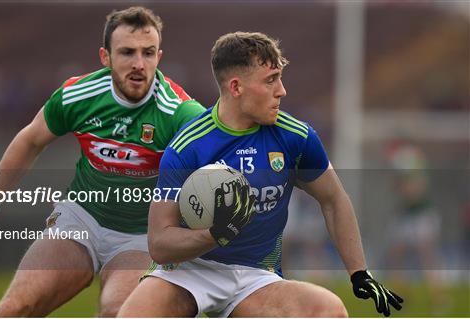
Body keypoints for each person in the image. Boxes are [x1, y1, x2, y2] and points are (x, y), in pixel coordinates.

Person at [118, 31, 403, 317]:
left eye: (279, 78)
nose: (281, 90)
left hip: (255, 275)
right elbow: (159, 244)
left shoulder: (296, 137)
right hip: (186, 270)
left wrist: (358, 272)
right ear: (236, 87)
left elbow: (334, 199)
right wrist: (215, 234)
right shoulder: (188, 147)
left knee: (329, 311)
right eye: (270, 81)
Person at [0, 6, 205, 317]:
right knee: (14, 308)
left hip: (143, 237)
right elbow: (30, 139)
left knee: (116, 311)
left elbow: (216, 167)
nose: (139, 64)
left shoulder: (181, 112)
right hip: (81, 220)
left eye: (148, 53)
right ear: (106, 57)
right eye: (127, 52)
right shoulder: (79, 94)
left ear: (159, 56)